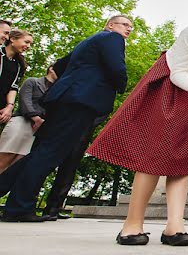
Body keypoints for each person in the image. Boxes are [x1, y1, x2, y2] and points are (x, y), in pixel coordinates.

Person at [87, 21, 188, 246]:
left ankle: (175, 225)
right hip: (170, 92)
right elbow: (178, 73)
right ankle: (132, 224)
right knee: (153, 156)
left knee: (185, 157)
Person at [0, 18, 129, 222]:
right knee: (50, 153)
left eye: (131, 27)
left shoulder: (88, 42)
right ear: (110, 25)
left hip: (62, 99)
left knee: (41, 151)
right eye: (125, 25)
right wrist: (122, 84)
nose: (128, 29)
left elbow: (58, 66)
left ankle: (12, 199)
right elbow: (117, 68)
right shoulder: (112, 38)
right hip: (81, 102)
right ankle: (19, 208)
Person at [0, 65, 56, 173]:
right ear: (51, 68)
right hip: (21, 122)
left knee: (14, 167)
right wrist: (36, 117)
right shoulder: (32, 82)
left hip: (35, 131)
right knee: (4, 158)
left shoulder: (57, 92)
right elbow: (25, 102)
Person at [0, 30, 31, 129]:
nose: (29, 46)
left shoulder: (19, 65)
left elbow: (14, 87)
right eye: (26, 42)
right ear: (12, 39)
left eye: (30, 43)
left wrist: (9, 107)